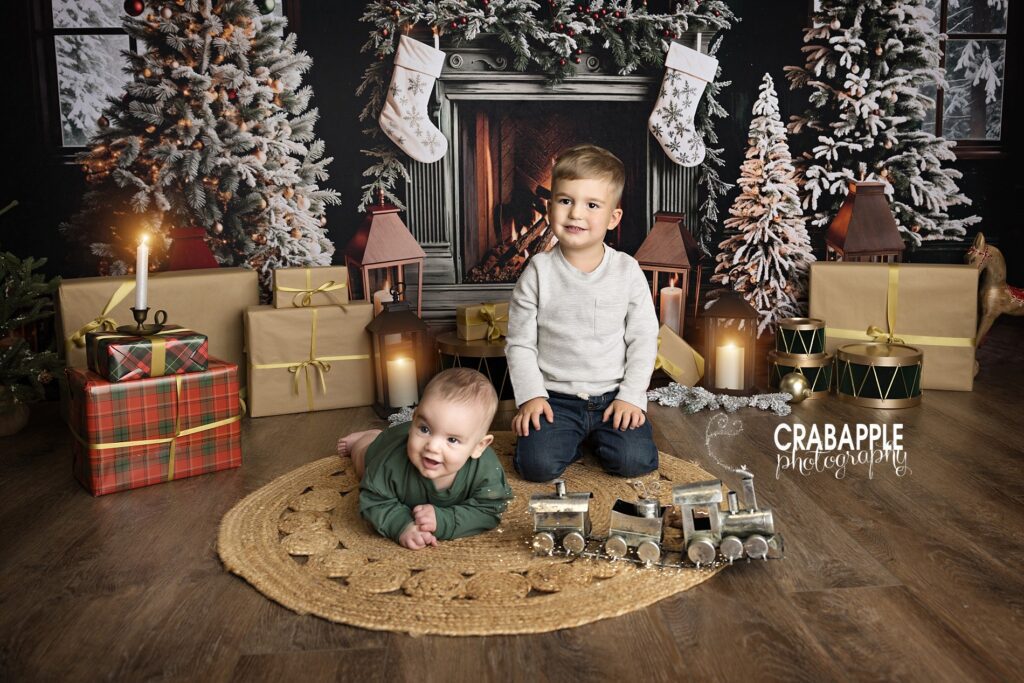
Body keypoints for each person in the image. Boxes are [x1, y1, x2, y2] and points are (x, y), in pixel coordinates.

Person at [506, 144, 660, 482]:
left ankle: (602, 437)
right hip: (554, 399)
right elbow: (519, 342)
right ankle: (568, 440)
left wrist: (632, 397)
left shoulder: (627, 270)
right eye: (566, 201)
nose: (576, 213)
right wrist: (531, 395)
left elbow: (644, 339)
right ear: (549, 208)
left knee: (634, 461)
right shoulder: (538, 271)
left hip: (612, 397)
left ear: (613, 218)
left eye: (592, 205)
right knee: (537, 466)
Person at [337, 368, 513, 550]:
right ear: (414, 419)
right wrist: (402, 525)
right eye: (424, 429)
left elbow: (491, 509)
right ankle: (367, 437)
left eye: (452, 439)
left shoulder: (486, 470)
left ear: (479, 447)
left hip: (407, 436)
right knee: (362, 461)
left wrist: (444, 520)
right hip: (388, 443)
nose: (432, 446)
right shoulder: (390, 463)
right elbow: (375, 501)